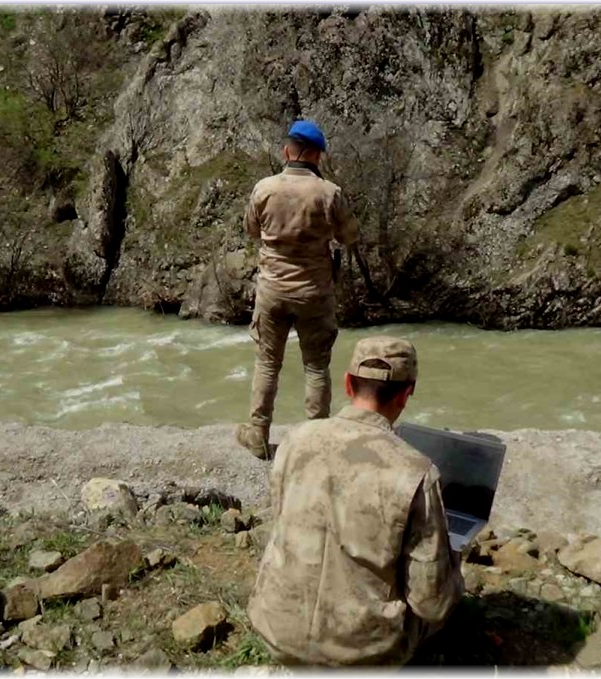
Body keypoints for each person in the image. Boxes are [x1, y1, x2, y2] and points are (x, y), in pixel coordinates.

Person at [247, 336, 464, 666]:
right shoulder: (416, 471)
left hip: (276, 630)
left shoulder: (295, 440)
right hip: (363, 655)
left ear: (348, 384)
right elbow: (430, 603)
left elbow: (281, 522)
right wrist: (456, 566)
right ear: (407, 394)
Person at [236, 119, 358, 460]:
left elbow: (251, 229)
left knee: (267, 363)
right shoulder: (329, 193)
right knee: (316, 367)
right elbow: (350, 236)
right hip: (315, 292)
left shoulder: (264, 189)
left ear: (289, 151)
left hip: (273, 288)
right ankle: (316, 442)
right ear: (317, 156)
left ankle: (258, 434)